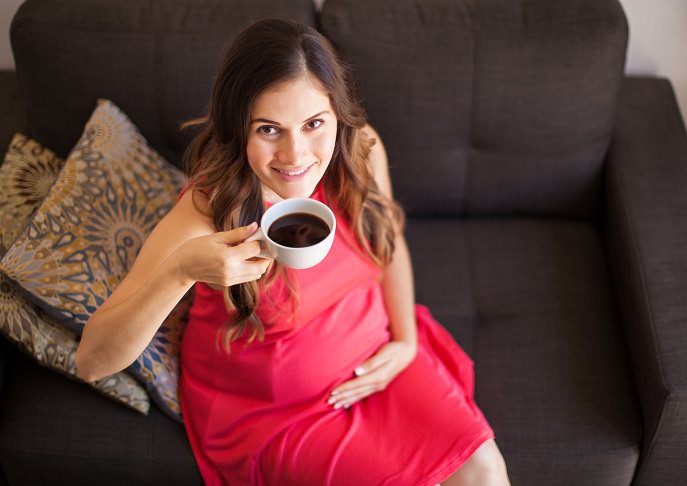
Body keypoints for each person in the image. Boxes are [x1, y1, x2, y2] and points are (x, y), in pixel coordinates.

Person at [75, 18, 511, 486]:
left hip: (376, 356)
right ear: (237, 127)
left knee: (484, 470)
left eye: (313, 124)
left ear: (336, 115)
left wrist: (404, 342)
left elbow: (389, 244)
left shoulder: (360, 151)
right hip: (274, 412)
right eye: (268, 129)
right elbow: (92, 361)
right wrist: (180, 271)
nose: (295, 155)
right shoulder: (204, 211)